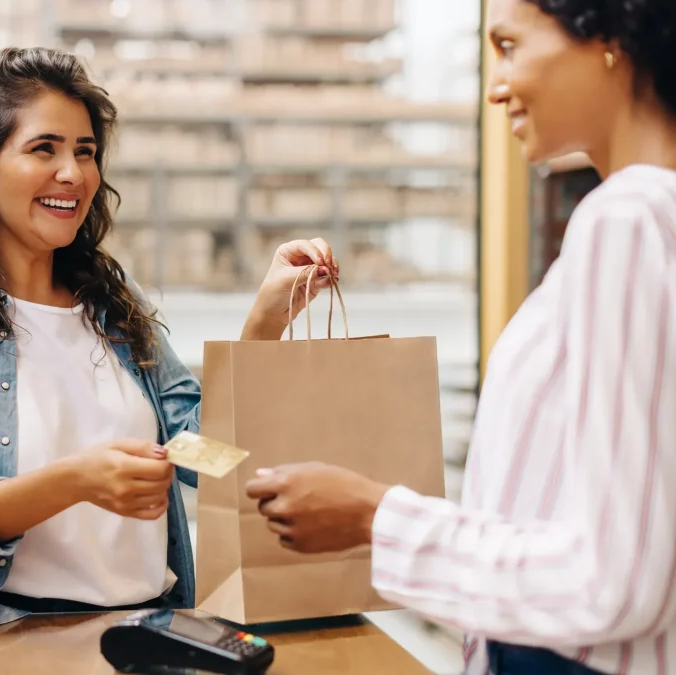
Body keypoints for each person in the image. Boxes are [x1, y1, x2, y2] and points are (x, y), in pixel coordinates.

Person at [244, 1, 676, 674]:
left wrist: (373, 515)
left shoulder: (625, 218)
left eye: (509, 46)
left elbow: (610, 580)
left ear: (609, 38)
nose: (495, 84)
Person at [0, 46, 339, 626]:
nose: (72, 173)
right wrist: (77, 480)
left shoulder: (114, 304)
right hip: (10, 635)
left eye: (86, 152)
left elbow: (204, 456)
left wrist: (267, 320)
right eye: (44, 148)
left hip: (150, 631)